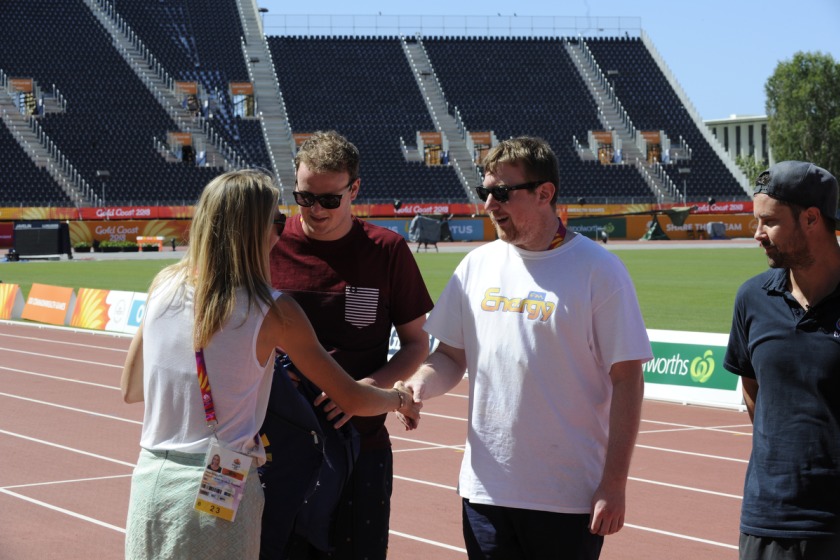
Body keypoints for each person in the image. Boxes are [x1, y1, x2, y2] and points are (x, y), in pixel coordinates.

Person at [120, 169, 421, 560]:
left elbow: (130, 390)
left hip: (151, 481)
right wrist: (398, 399)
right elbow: (351, 398)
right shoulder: (273, 310)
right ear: (256, 232)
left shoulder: (163, 284)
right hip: (219, 485)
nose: (282, 231)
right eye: (277, 222)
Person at [400, 136, 652, 559]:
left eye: (501, 193)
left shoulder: (599, 271)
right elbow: (449, 355)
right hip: (485, 493)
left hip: (567, 499)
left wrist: (614, 482)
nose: (488, 204)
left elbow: (628, 379)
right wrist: (418, 385)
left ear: (544, 194)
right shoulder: (476, 266)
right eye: (485, 192)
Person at [267, 131, 434, 559]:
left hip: (360, 444)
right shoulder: (268, 244)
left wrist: (358, 392)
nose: (315, 210)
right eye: (305, 198)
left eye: (329, 200)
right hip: (273, 449)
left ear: (354, 189)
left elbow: (417, 344)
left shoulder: (387, 250)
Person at [724, 161, 840, 560]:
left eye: (768, 222)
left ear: (810, 219)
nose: (757, 235)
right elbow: (753, 390)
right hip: (768, 520)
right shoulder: (752, 298)